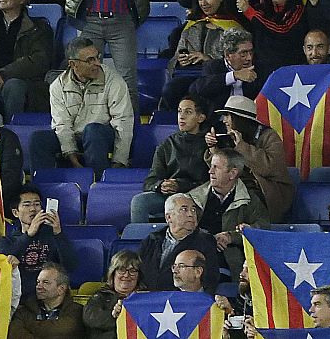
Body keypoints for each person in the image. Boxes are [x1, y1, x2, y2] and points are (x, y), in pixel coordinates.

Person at [37, 37, 133, 176]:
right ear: (73, 64)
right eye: (90, 60)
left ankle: (99, 182)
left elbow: (123, 122)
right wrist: (72, 156)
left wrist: (119, 162)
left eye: (97, 57)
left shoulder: (114, 81)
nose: (97, 63)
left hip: (102, 135)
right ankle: (44, 187)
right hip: (75, 137)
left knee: (92, 130)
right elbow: (62, 124)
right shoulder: (57, 86)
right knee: (39, 139)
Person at [131, 94, 209, 223]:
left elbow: (209, 182)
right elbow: (150, 180)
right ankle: (142, 242)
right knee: (139, 201)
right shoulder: (167, 144)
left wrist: (180, 186)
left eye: (188, 112)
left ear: (201, 118)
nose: (182, 116)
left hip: (197, 196)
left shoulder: (208, 144)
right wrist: (160, 185)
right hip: (170, 196)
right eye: (179, 111)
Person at [138, 192, 220, 290]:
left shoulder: (205, 242)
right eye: (184, 210)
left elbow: (210, 280)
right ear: (169, 217)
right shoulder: (151, 240)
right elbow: (138, 273)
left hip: (182, 301)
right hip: (150, 300)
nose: (191, 214)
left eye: (193, 210)